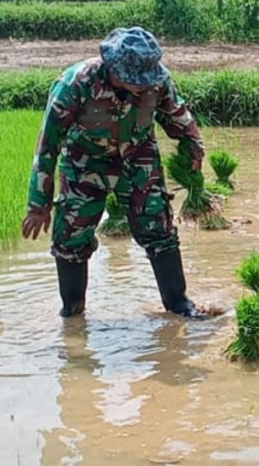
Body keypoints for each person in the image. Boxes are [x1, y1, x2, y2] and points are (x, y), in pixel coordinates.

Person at [21, 26, 218, 320]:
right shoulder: (75, 83)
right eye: (136, 80)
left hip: (137, 156)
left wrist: (193, 147)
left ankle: (178, 303)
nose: (144, 85)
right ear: (115, 69)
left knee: (158, 226)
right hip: (84, 160)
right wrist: (39, 205)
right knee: (71, 236)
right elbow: (48, 146)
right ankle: (72, 312)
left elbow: (177, 114)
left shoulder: (157, 81)